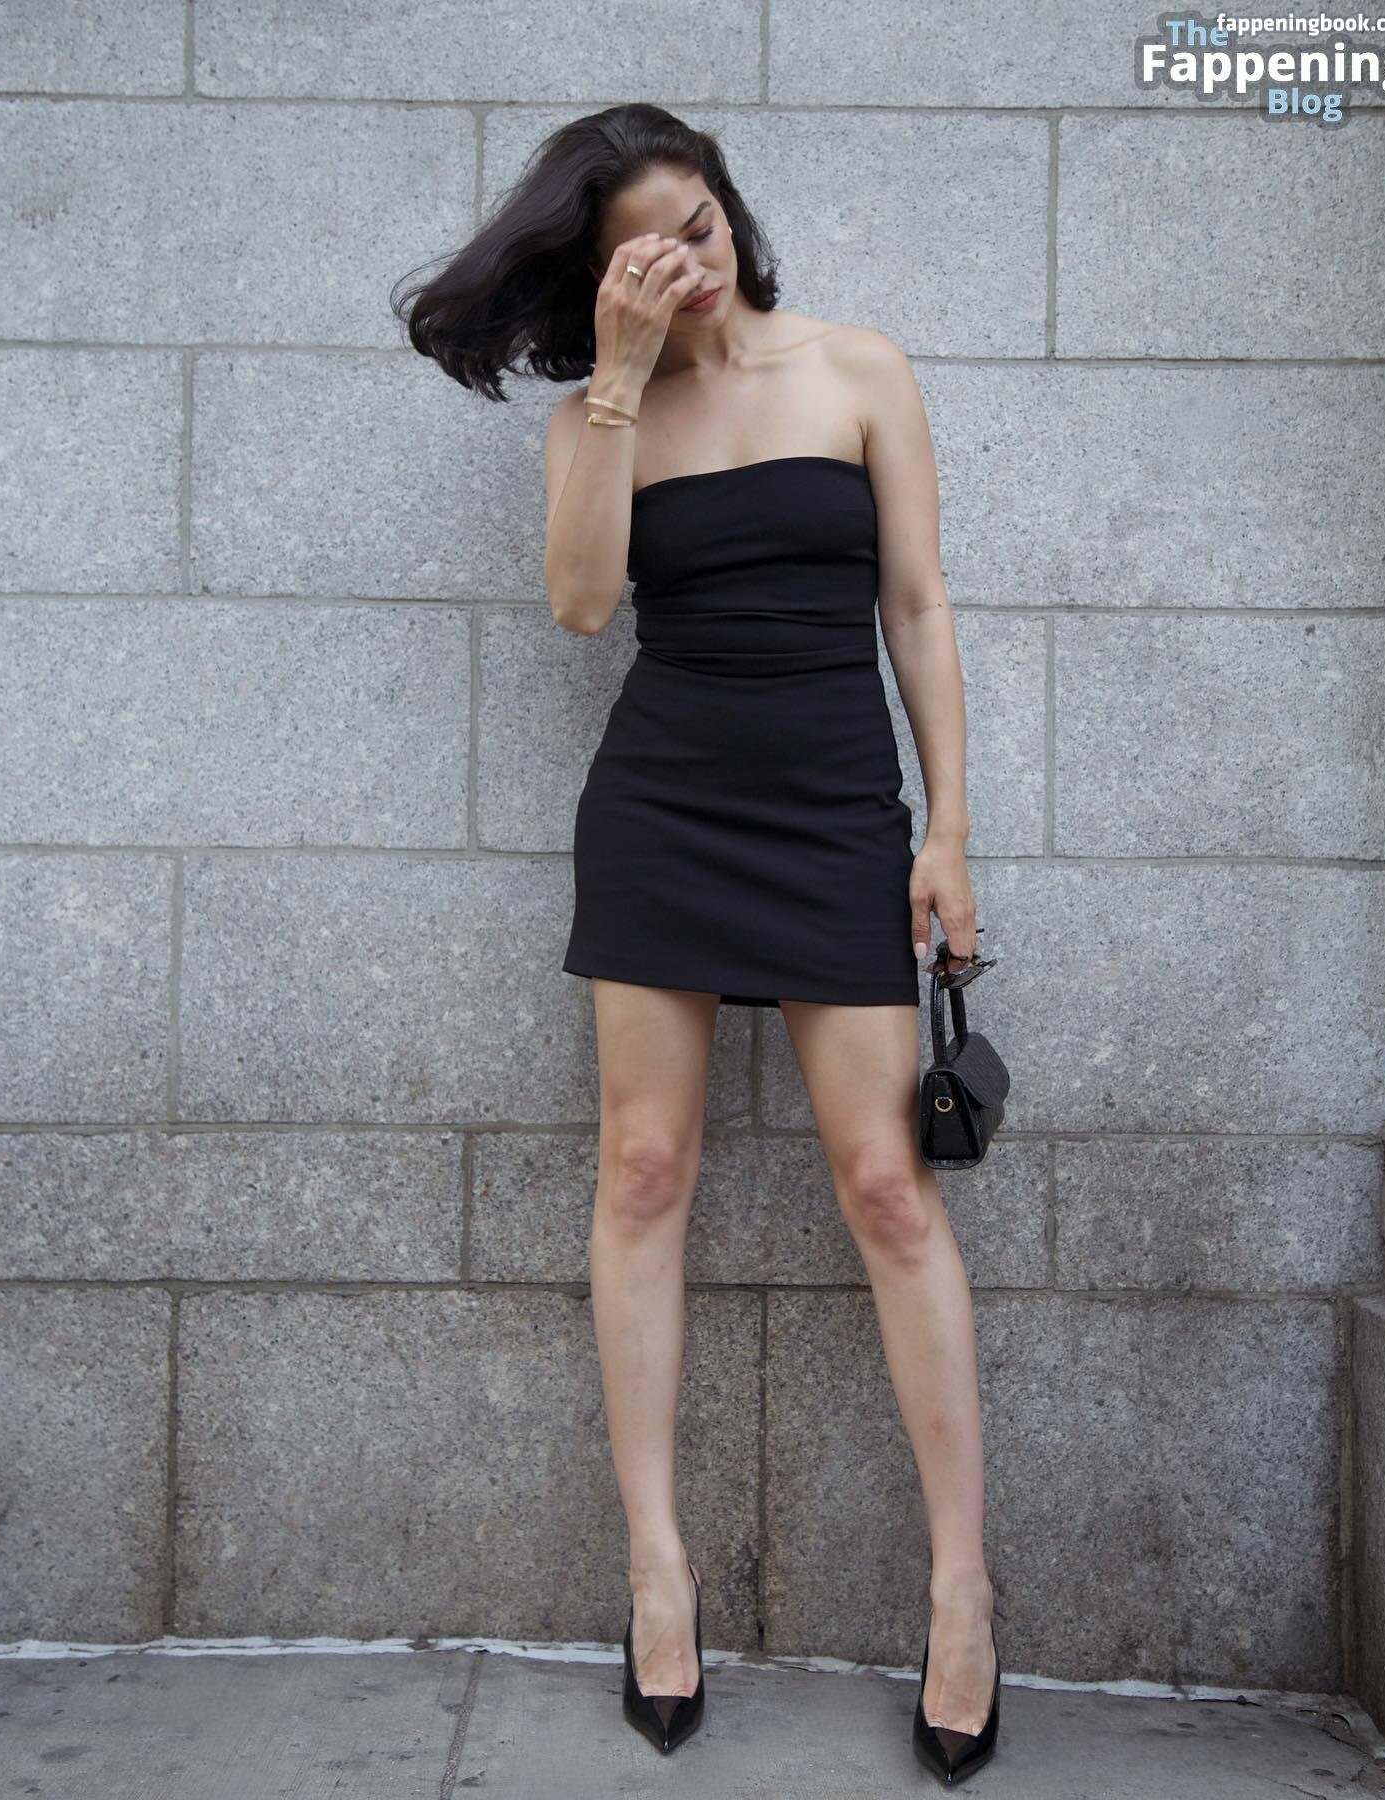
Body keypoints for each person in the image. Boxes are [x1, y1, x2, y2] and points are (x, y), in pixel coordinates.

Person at [394, 101, 999, 1784]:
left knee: (890, 1190)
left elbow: (918, 606)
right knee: (644, 1172)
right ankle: (657, 1574)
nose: (690, 256)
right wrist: (612, 379)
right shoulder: (599, 415)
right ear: (605, 277)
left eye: (701, 218)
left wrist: (948, 830)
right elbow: (585, 603)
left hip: (834, 814)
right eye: (647, 246)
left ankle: (963, 1591)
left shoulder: (859, 371)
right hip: (664, 806)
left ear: (734, 209)